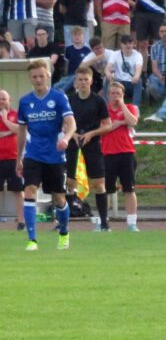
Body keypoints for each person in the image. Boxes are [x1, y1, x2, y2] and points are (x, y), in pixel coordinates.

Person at [16, 59, 76, 251]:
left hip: (55, 155)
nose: (38, 79)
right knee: (30, 190)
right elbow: (22, 131)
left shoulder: (59, 98)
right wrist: (19, 158)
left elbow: (71, 122)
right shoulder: (25, 102)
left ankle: (64, 232)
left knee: (59, 198)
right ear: (30, 78)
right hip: (33, 154)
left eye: (41, 76)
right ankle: (32, 239)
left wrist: (66, 137)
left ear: (48, 75)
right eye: (35, 77)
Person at [65, 67, 111, 232]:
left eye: (86, 79)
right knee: (70, 183)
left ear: (91, 81)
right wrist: (74, 134)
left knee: (99, 184)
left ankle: (104, 223)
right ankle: (65, 223)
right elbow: (64, 125)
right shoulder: (69, 101)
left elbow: (108, 125)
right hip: (73, 145)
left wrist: (92, 133)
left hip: (92, 146)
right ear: (76, 81)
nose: (83, 82)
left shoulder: (99, 101)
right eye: (80, 79)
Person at [99, 81, 139, 231]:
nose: (115, 96)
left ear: (123, 95)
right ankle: (104, 221)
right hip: (107, 153)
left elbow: (132, 122)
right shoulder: (103, 110)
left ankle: (132, 222)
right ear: (108, 95)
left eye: (118, 94)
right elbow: (101, 128)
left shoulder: (130, 108)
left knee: (129, 188)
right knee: (105, 189)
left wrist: (122, 108)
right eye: (113, 93)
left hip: (126, 152)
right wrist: (115, 124)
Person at [0, 88, 26, 230]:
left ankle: (21, 221)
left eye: (4, 99)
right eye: (0, 99)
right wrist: (10, 131)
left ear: (9, 100)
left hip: (14, 158)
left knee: (17, 190)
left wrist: (5, 120)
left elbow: (21, 130)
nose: (1, 102)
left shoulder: (16, 115)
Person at [105, 34, 144, 107]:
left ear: (133, 44)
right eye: (125, 44)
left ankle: (135, 106)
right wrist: (108, 73)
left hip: (131, 83)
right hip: (118, 82)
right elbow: (107, 68)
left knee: (139, 81)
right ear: (121, 45)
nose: (128, 46)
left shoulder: (138, 55)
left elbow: (139, 69)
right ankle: (107, 103)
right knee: (106, 78)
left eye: (130, 43)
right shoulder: (115, 54)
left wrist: (136, 76)